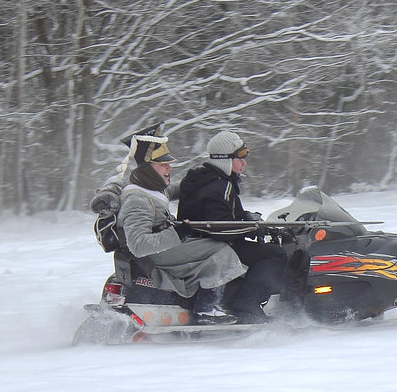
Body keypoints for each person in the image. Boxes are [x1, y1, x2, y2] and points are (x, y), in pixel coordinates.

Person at [90, 123, 248, 325]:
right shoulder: (137, 199)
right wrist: (177, 233)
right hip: (154, 255)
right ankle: (207, 309)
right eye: (163, 164)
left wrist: (201, 177)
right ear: (148, 169)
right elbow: (138, 245)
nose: (169, 167)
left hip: (162, 248)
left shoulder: (152, 189)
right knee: (220, 251)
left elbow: (177, 190)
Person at [177, 131, 288, 324]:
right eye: (241, 157)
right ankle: (246, 304)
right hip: (211, 245)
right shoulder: (219, 186)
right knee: (275, 254)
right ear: (225, 159)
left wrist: (248, 218)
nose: (244, 162)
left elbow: (220, 214)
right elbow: (221, 227)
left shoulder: (207, 179)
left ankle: (239, 297)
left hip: (201, 242)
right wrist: (254, 228)